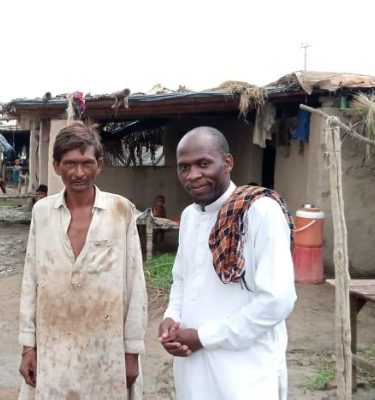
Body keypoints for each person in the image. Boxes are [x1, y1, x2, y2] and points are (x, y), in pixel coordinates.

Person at [159, 126, 297, 400]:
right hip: (193, 368)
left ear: (227, 163)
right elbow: (182, 280)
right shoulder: (189, 216)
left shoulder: (260, 211)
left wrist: (204, 337)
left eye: (203, 164)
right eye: (183, 167)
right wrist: (171, 318)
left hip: (245, 373)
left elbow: (277, 301)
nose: (193, 175)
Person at [18, 123, 148, 399]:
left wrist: (132, 350)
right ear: (56, 166)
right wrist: (28, 346)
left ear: (99, 165)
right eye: (70, 163)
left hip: (106, 346)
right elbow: (31, 280)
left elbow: (135, 284)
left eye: (87, 163)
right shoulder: (42, 213)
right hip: (53, 345)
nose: (79, 173)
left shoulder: (121, 211)